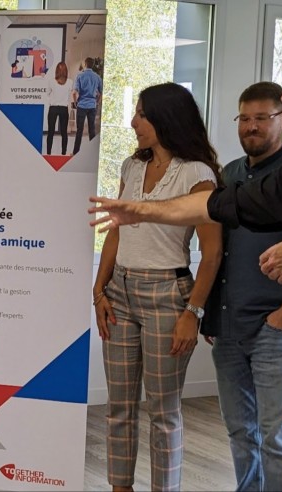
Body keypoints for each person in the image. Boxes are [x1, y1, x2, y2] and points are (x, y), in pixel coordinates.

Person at [89, 38, 282, 491]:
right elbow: (222, 205)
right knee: (248, 435)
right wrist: (142, 210)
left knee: (277, 439)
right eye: (244, 117)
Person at [93, 82, 222, 492]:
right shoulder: (131, 167)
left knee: (163, 411)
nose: (133, 122)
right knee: (118, 407)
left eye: (142, 115)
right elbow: (116, 231)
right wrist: (99, 291)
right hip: (120, 292)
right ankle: (120, 487)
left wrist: (193, 313)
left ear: (166, 119)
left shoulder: (196, 174)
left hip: (168, 295)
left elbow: (212, 252)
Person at [204, 81, 282, 491]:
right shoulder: (229, 174)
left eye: (262, 118)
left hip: (277, 330)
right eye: (244, 118)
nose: (251, 126)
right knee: (239, 432)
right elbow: (219, 251)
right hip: (228, 329)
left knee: (278, 439)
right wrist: (212, 312)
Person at [72, 57, 102, 155]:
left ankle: (75, 152)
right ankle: (92, 153)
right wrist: (97, 102)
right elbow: (101, 92)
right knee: (91, 129)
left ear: (85, 64)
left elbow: (74, 92)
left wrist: (75, 102)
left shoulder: (80, 76)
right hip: (92, 105)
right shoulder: (97, 77)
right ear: (93, 65)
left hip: (81, 105)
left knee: (79, 130)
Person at [46, 61, 73, 155]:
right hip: (64, 109)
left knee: (51, 132)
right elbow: (69, 94)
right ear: (66, 71)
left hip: (53, 108)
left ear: (56, 70)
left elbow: (47, 93)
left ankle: (48, 153)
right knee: (64, 132)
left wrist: (52, 99)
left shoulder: (51, 81)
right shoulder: (70, 82)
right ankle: (63, 153)